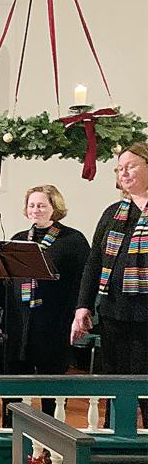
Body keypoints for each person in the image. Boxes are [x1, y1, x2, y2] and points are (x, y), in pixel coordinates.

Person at [0, 185, 89, 419]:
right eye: (32, 205)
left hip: (53, 322)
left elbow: (84, 280)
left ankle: (53, 434)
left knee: (50, 383)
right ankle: (10, 430)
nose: (36, 210)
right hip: (18, 322)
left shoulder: (73, 240)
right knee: (14, 381)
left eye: (42, 205)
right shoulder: (17, 240)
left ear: (55, 207)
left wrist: (80, 312)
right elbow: (3, 280)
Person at [72, 142, 148, 427]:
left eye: (131, 166)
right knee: (114, 383)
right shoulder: (113, 212)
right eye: (119, 169)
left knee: (145, 387)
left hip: (146, 315)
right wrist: (83, 306)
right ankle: (112, 440)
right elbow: (94, 263)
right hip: (114, 313)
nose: (124, 173)